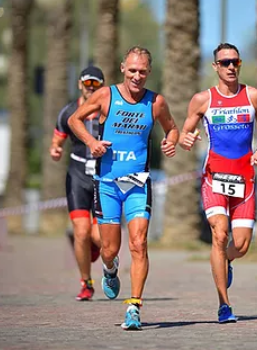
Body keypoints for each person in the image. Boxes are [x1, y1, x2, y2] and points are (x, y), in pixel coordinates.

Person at [68, 46, 179, 331]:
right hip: (106, 184)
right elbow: (74, 120)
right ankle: (109, 268)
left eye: (142, 71)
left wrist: (170, 141)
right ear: (122, 69)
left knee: (139, 243)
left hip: (138, 183)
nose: (137, 76)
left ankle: (134, 307)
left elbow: (172, 128)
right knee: (109, 249)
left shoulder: (156, 102)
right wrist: (92, 143)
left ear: (149, 72)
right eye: (132, 70)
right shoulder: (106, 96)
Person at [179, 43, 257, 323]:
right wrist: (185, 139)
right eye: (224, 62)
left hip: (245, 180)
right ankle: (224, 305)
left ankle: (227, 260)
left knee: (241, 245)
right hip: (214, 179)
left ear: (240, 63)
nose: (230, 67)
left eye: (234, 62)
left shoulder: (253, 96)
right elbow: (186, 132)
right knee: (219, 234)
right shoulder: (202, 99)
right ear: (215, 67)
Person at [50, 66, 105, 301]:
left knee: (98, 238)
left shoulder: (108, 111)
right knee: (81, 233)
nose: (90, 88)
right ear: (79, 85)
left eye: (96, 84)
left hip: (102, 176)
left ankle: (93, 250)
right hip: (77, 175)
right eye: (87, 84)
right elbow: (57, 140)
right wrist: (55, 150)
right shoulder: (69, 112)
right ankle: (86, 283)